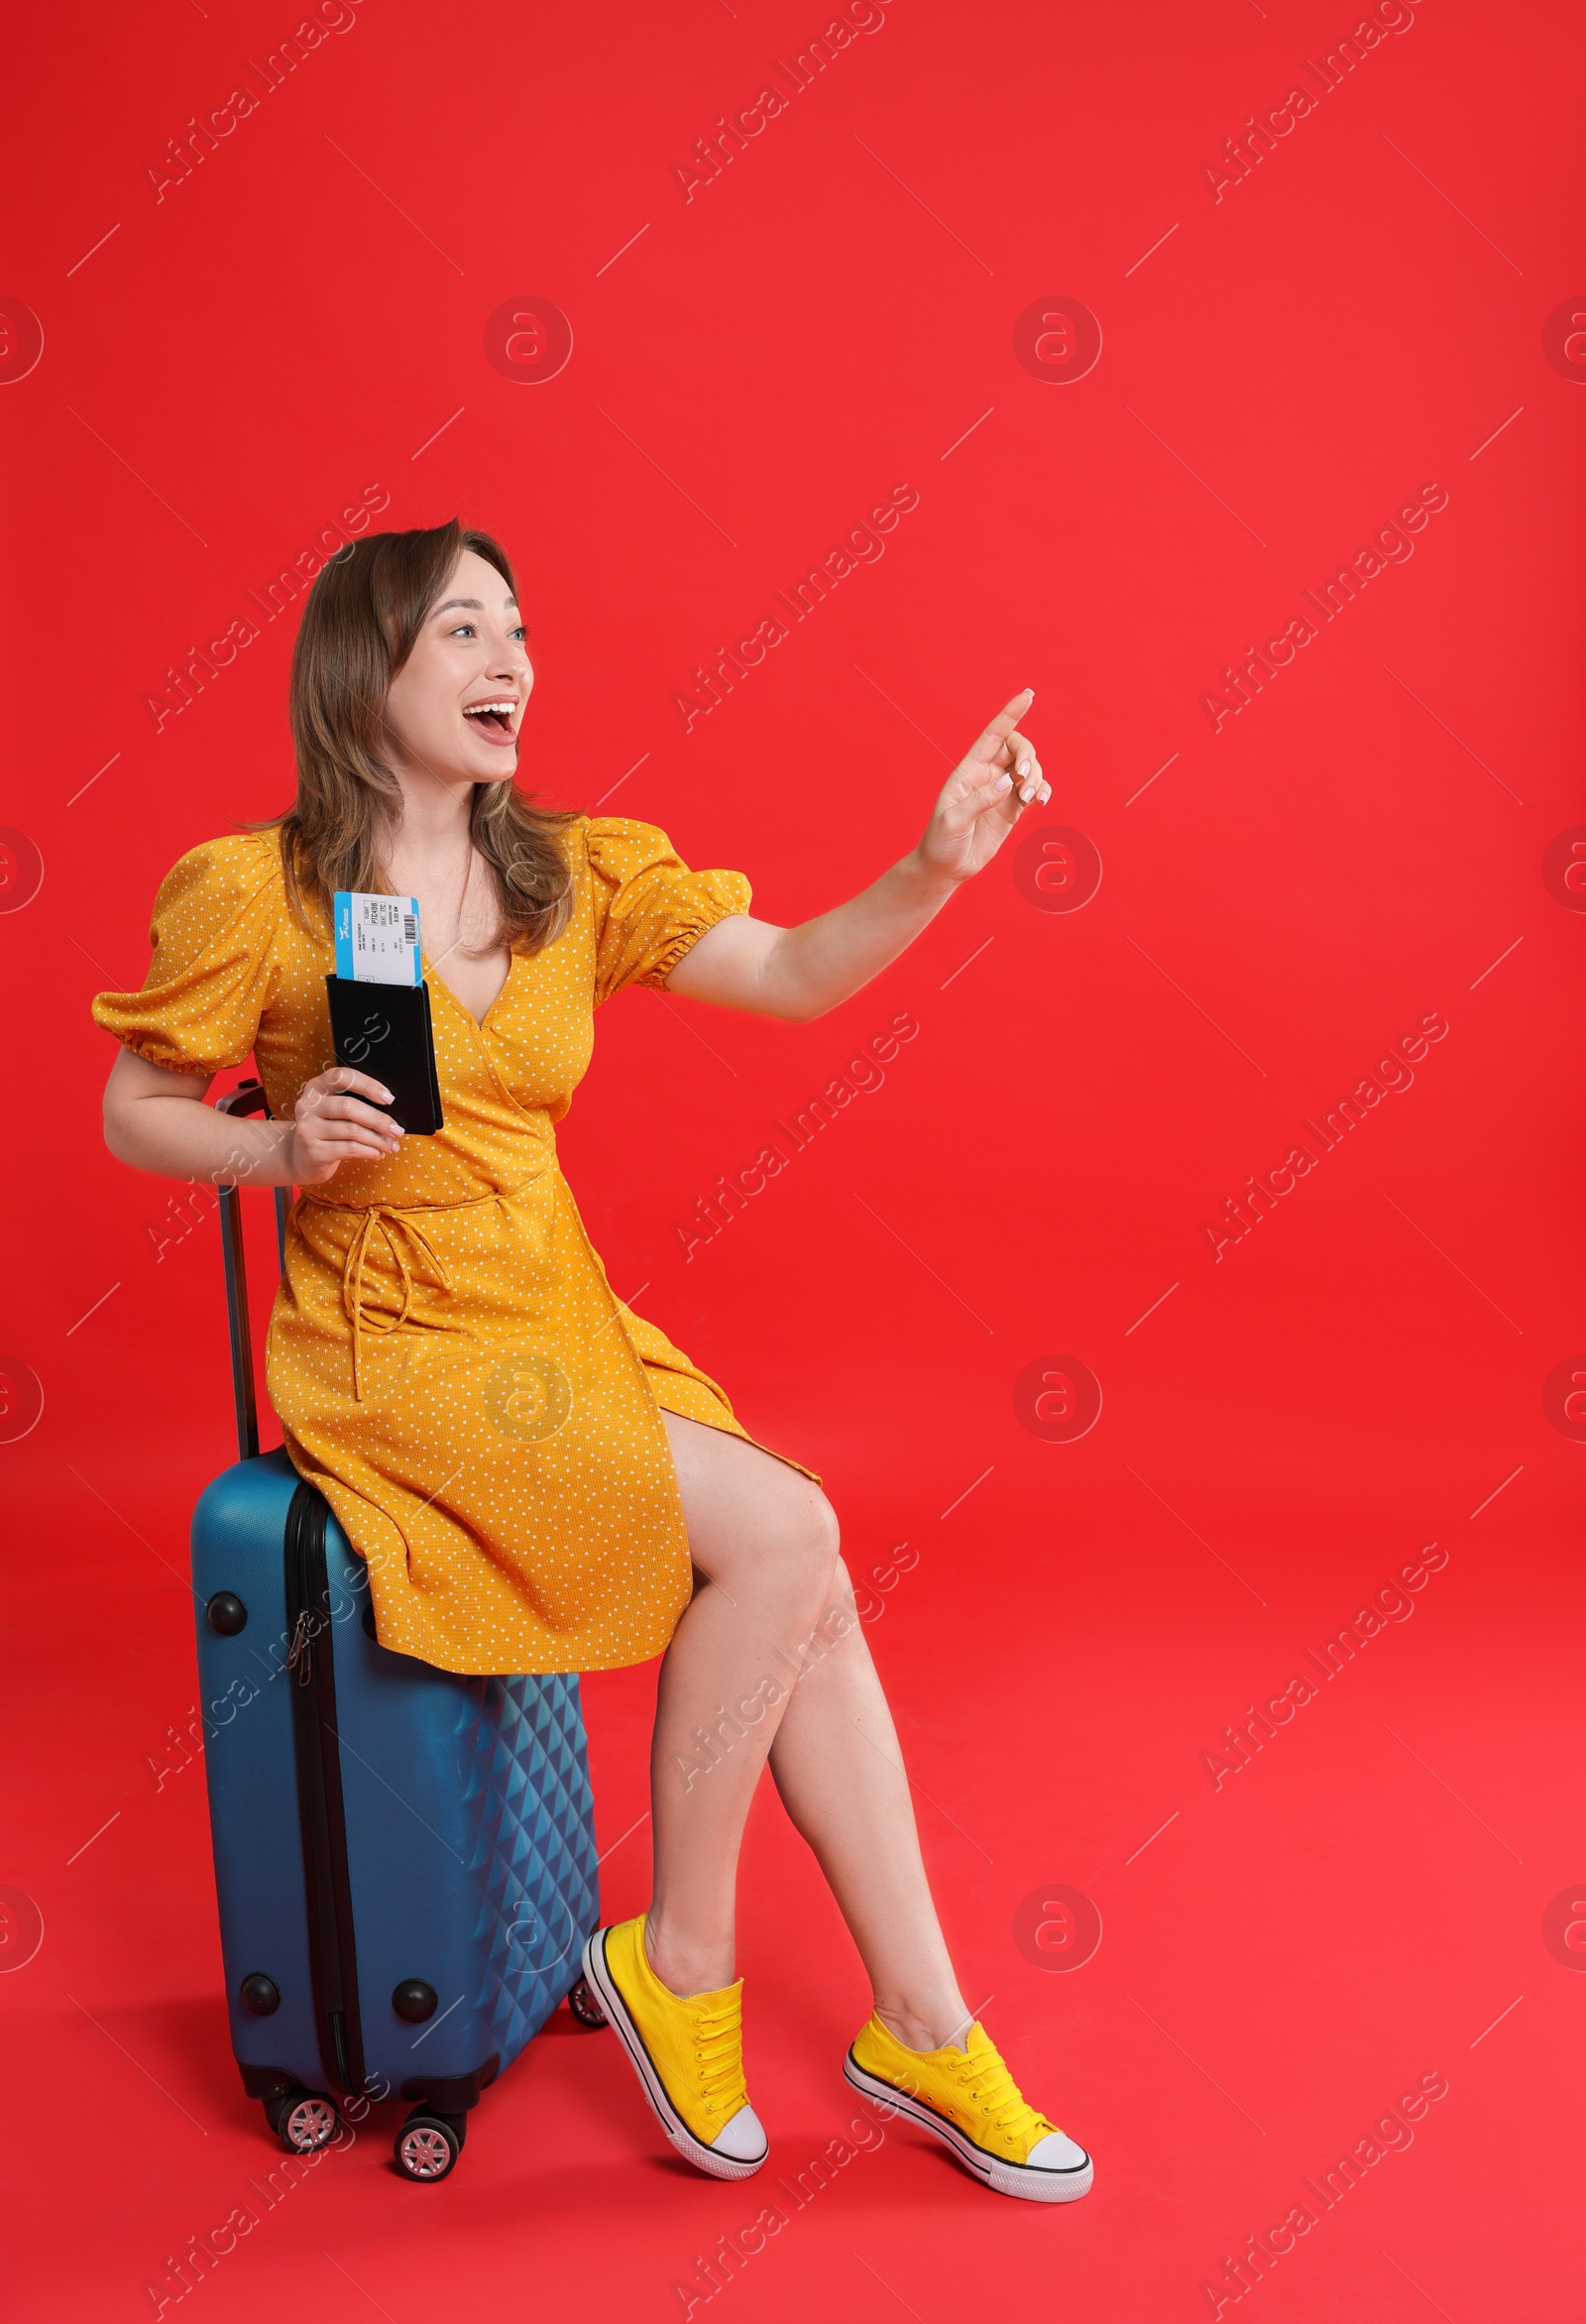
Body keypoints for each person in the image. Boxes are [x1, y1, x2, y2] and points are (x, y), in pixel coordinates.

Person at [93, 519, 1091, 2204]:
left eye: (520, 631)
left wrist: (932, 865)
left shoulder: (572, 874)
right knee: (788, 1532)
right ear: (367, 669)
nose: (512, 664)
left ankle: (920, 2018)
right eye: (465, 632)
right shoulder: (252, 895)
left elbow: (784, 975)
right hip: (394, 1341)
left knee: (812, 1581)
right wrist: (279, 1156)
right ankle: (683, 1963)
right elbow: (133, 1114)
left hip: (558, 1316)